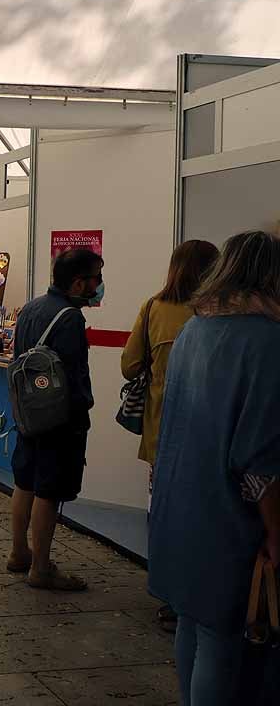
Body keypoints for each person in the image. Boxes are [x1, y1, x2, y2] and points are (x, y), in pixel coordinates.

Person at [149, 231, 280, 706]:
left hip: (179, 501)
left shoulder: (194, 329)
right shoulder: (267, 340)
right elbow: (260, 461)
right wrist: (274, 532)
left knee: (191, 623)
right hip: (227, 519)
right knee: (224, 639)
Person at [120, 239, 219, 632]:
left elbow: (130, 366)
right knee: (207, 516)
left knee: (162, 512)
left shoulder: (153, 309)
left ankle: (169, 594)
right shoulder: (219, 315)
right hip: (211, 434)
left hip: (163, 431)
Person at [6, 248, 103, 592]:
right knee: (48, 490)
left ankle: (20, 552)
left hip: (28, 413)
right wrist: (81, 414)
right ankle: (42, 568)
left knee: (25, 482)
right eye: (96, 278)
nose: (99, 284)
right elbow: (73, 375)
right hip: (59, 420)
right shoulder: (70, 318)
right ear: (78, 283)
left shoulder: (32, 308)